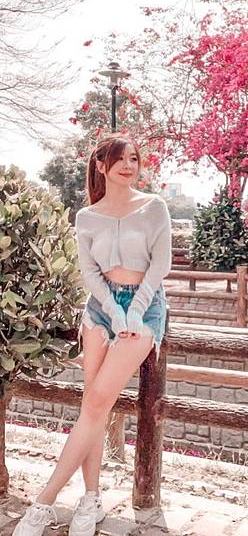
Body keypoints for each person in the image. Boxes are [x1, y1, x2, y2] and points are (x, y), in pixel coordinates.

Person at [12, 134, 172, 536]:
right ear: (101, 165)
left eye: (134, 158)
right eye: (120, 159)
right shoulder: (87, 217)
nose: (129, 166)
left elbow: (160, 265)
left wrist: (132, 310)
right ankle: (90, 498)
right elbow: (89, 272)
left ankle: (43, 504)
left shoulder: (154, 207)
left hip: (144, 308)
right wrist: (113, 311)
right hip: (100, 308)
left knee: (98, 401)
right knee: (93, 406)